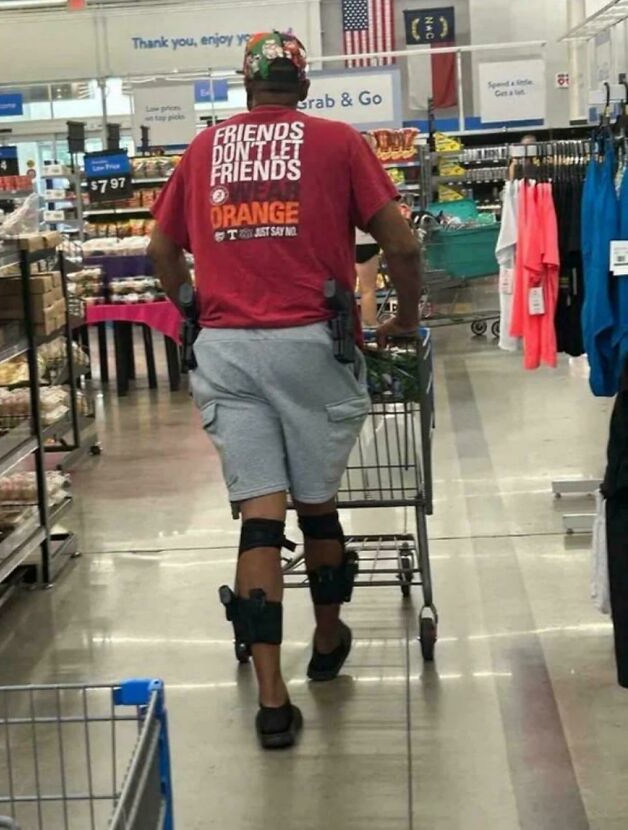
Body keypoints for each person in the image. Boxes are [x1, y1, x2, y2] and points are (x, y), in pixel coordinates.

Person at [149, 30, 421, 750]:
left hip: (228, 351)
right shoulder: (336, 142)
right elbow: (402, 242)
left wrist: (188, 305)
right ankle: (327, 638)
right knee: (318, 506)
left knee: (260, 522)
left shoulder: (204, 150)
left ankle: (272, 702)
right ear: (303, 86)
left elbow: (160, 249)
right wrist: (408, 312)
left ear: (246, 86)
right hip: (311, 346)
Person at [355, 132, 382, 327]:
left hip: (344, 240)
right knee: (368, 289)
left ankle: (347, 328)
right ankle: (371, 327)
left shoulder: (340, 171)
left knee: (343, 289)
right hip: (367, 239)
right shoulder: (375, 174)